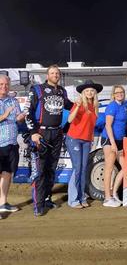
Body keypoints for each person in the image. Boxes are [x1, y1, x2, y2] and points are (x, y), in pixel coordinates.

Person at [25, 65, 73, 216]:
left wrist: (84, 103)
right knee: (39, 171)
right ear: (47, 75)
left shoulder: (62, 91)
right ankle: (38, 206)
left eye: (57, 73)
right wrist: (33, 132)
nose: (55, 75)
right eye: (52, 73)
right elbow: (28, 112)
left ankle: (46, 198)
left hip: (57, 134)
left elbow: (70, 106)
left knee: (51, 169)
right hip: (41, 133)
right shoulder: (37, 89)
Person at [65, 80, 102, 209]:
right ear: (83, 93)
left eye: (92, 90)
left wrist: (91, 140)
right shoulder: (78, 104)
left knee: (84, 168)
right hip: (74, 139)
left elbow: (91, 126)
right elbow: (70, 120)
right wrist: (76, 107)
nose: (90, 92)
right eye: (87, 91)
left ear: (95, 93)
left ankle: (81, 197)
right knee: (78, 168)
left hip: (86, 140)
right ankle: (73, 199)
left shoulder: (95, 106)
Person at [101, 85, 127, 207]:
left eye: (121, 92)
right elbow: (108, 126)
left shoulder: (124, 105)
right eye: (117, 92)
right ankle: (107, 198)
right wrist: (113, 143)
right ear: (113, 95)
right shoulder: (112, 106)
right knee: (109, 168)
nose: (120, 94)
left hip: (120, 141)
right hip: (110, 140)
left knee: (126, 168)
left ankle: (114, 194)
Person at [0, 75, 25, 214]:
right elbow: (4, 117)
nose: (4, 87)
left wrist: (20, 118)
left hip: (12, 143)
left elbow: (18, 119)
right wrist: (5, 114)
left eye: (6, 84)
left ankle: (3, 203)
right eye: (1, 84)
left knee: (7, 173)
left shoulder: (13, 101)